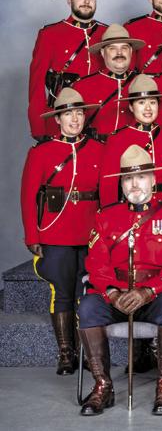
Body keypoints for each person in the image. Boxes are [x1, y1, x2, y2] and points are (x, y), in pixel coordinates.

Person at [76, 145, 162, 416]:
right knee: (88, 307)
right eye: (128, 178)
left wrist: (148, 291)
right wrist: (112, 293)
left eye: (141, 177)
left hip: (156, 295)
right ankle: (103, 385)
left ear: (153, 180)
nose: (134, 184)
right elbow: (96, 263)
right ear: (121, 183)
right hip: (116, 293)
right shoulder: (105, 217)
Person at [20, 88, 103, 375]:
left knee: (87, 293)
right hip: (55, 232)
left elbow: (106, 196)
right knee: (63, 291)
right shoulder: (41, 152)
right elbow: (29, 197)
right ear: (57, 119)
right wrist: (32, 236)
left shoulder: (98, 149)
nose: (75, 119)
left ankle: (88, 351)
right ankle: (67, 352)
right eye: (68, 114)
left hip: (90, 232)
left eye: (79, 113)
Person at [28, 0, 109, 140]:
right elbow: (36, 85)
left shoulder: (107, 33)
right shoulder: (50, 34)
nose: (86, 1)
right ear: (69, 0)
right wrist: (39, 128)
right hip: (62, 123)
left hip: (100, 120)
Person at [100, 74, 162, 206]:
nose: (148, 108)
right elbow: (108, 184)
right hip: (131, 208)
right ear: (131, 107)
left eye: (152, 102)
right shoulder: (118, 139)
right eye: (141, 102)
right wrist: (111, 214)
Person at [70, 24, 145, 139]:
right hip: (98, 148)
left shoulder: (144, 83)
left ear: (131, 51)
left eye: (124, 48)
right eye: (112, 48)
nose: (119, 53)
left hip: (135, 148)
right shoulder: (82, 86)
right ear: (102, 52)